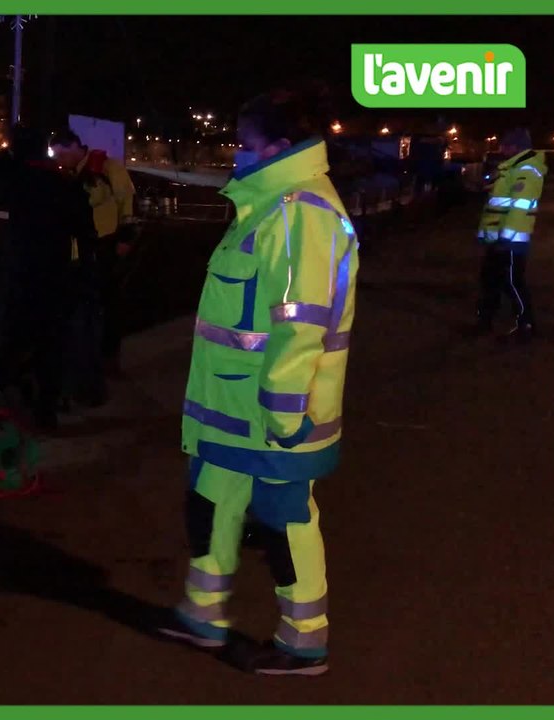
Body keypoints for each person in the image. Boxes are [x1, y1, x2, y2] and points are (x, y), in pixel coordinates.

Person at [152, 88, 358, 676]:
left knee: (284, 520)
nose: (234, 155)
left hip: (273, 418)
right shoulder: (270, 206)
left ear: (279, 147)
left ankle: (304, 641)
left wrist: (286, 413)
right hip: (231, 412)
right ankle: (203, 616)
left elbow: (301, 327)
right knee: (211, 504)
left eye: (243, 144)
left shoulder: (300, 214)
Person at [0, 125, 98, 429]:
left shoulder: (9, 182)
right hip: (54, 278)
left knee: (8, 346)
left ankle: (7, 412)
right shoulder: (65, 185)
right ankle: (46, 412)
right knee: (51, 348)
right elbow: (86, 235)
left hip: (15, 277)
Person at [49, 128, 137, 375]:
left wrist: (125, 239)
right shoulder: (69, 175)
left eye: (61, 154)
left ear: (75, 146)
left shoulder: (109, 168)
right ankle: (85, 357)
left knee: (109, 304)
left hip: (106, 246)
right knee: (82, 307)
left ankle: (109, 360)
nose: (59, 160)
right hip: (80, 250)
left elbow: (127, 203)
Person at [474, 127, 546, 341]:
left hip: (510, 239)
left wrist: (506, 237)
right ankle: (485, 319)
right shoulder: (514, 168)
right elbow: (506, 199)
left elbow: (519, 207)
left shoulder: (526, 170)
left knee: (512, 281)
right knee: (490, 279)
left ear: (516, 147)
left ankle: (527, 324)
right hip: (501, 237)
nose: (502, 148)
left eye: (505, 144)